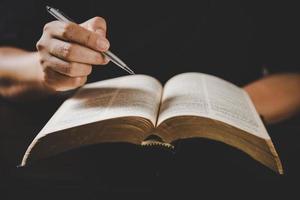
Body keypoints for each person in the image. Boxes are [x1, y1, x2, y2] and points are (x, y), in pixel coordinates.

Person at [0, 0, 299, 124]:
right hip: (76, 159)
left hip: (228, 163)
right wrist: (46, 70)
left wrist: (231, 119)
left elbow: (292, 71)